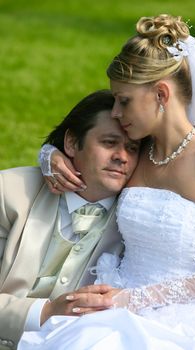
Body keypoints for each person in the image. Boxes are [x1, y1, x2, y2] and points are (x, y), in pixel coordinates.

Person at [19, 14, 195, 349]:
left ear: (161, 94)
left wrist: (132, 300)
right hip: (113, 294)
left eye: (124, 100)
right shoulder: (138, 150)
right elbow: (84, 144)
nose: (116, 112)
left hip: (183, 316)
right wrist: (50, 155)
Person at [0, 89, 140, 349]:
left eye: (132, 148)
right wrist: (44, 312)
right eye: (109, 142)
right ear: (72, 143)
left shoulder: (139, 225)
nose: (122, 156)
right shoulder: (8, 192)